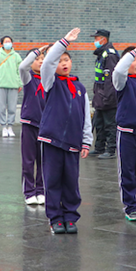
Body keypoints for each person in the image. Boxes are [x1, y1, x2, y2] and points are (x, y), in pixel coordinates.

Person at [39, 28, 92, 234]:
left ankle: (70, 216)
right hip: (51, 139)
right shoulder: (49, 82)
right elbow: (47, 63)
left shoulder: (79, 87)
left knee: (71, 181)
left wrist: (86, 140)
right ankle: (55, 218)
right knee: (52, 180)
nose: (64, 63)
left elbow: (86, 115)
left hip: (73, 141)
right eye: (60, 60)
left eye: (67, 60)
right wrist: (64, 42)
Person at [113, 44, 136, 222]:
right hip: (127, 132)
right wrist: (131, 54)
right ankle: (131, 207)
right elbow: (118, 71)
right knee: (128, 171)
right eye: (133, 59)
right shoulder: (122, 81)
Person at [18, 45, 48, 206]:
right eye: (37, 59)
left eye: (43, 58)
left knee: (44, 160)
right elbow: (22, 66)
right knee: (28, 160)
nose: (40, 61)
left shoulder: (49, 78)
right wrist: (35, 52)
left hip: (46, 126)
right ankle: (29, 191)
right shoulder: (28, 77)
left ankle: (41, 190)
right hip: (30, 124)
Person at [90, 29, 119, 158]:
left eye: (97, 38)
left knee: (110, 124)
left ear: (103, 39)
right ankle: (99, 148)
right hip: (100, 96)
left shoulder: (110, 55)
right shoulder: (102, 54)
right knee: (99, 124)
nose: (95, 41)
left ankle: (111, 149)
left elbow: (110, 80)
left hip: (107, 97)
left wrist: (108, 97)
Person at [0, 36, 22, 138]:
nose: (8, 43)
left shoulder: (16, 56)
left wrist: (20, 83)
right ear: (2, 44)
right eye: (6, 41)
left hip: (13, 85)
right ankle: (4, 127)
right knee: (2, 107)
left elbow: (20, 71)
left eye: (9, 41)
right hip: (1, 85)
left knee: (12, 107)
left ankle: (10, 127)